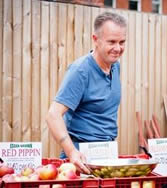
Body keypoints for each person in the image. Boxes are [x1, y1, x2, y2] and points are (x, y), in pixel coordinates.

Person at [46, 12, 127, 174]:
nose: (118, 48)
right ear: (95, 40)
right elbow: (53, 115)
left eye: (122, 42)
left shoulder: (115, 66)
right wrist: (71, 152)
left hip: (107, 153)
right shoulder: (81, 71)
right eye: (111, 42)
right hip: (81, 158)